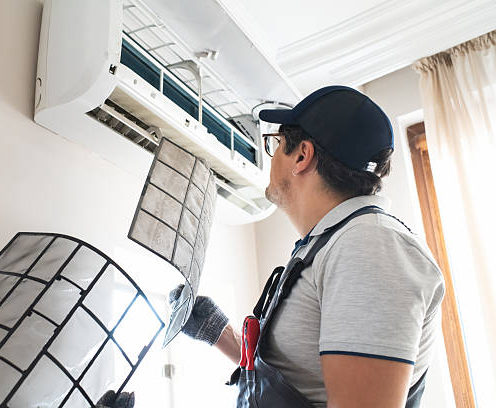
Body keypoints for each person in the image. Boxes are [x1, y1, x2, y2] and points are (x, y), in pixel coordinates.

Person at [169, 86, 445, 407]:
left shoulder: (369, 248)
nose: (271, 158)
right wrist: (217, 332)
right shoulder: (332, 244)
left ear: (301, 156)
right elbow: (301, 385)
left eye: (276, 146)